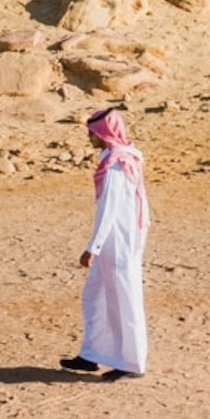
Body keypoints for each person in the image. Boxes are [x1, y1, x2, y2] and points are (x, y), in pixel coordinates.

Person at [62, 104, 148, 378]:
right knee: (96, 296)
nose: (90, 139)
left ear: (103, 133)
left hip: (117, 240)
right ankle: (91, 354)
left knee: (123, 298)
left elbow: (109, 207)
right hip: (121, 238)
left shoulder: (116, 164)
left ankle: (130, 363)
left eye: (92, 133)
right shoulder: (125, 156)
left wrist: (93, 247)